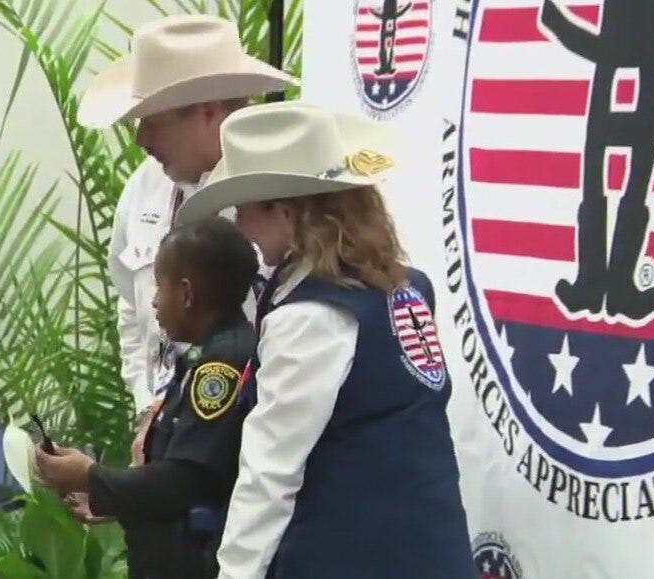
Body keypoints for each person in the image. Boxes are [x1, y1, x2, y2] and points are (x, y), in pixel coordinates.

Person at [176, 102, 477, 579]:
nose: (240, 225)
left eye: (245, 209)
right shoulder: (407, 288)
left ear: (286, 213)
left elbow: (270, 471)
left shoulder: (309, 317)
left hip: (350, 556)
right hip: (431, 551)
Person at [76, 14, 297, 422]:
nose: (140, 139)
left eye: (152, 120)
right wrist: (146, 406)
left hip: (246, 438)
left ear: (209, 113)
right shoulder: (142, 187)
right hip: (165, 435)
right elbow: (132, 309)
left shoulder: (276, 203)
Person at [35, 217, 259, 579]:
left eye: (159, 286)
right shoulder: (206, 353)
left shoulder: (221, 366)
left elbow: (187, 481)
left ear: (186, 293)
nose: (153, 301)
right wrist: (108, 496)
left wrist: (91, 476)